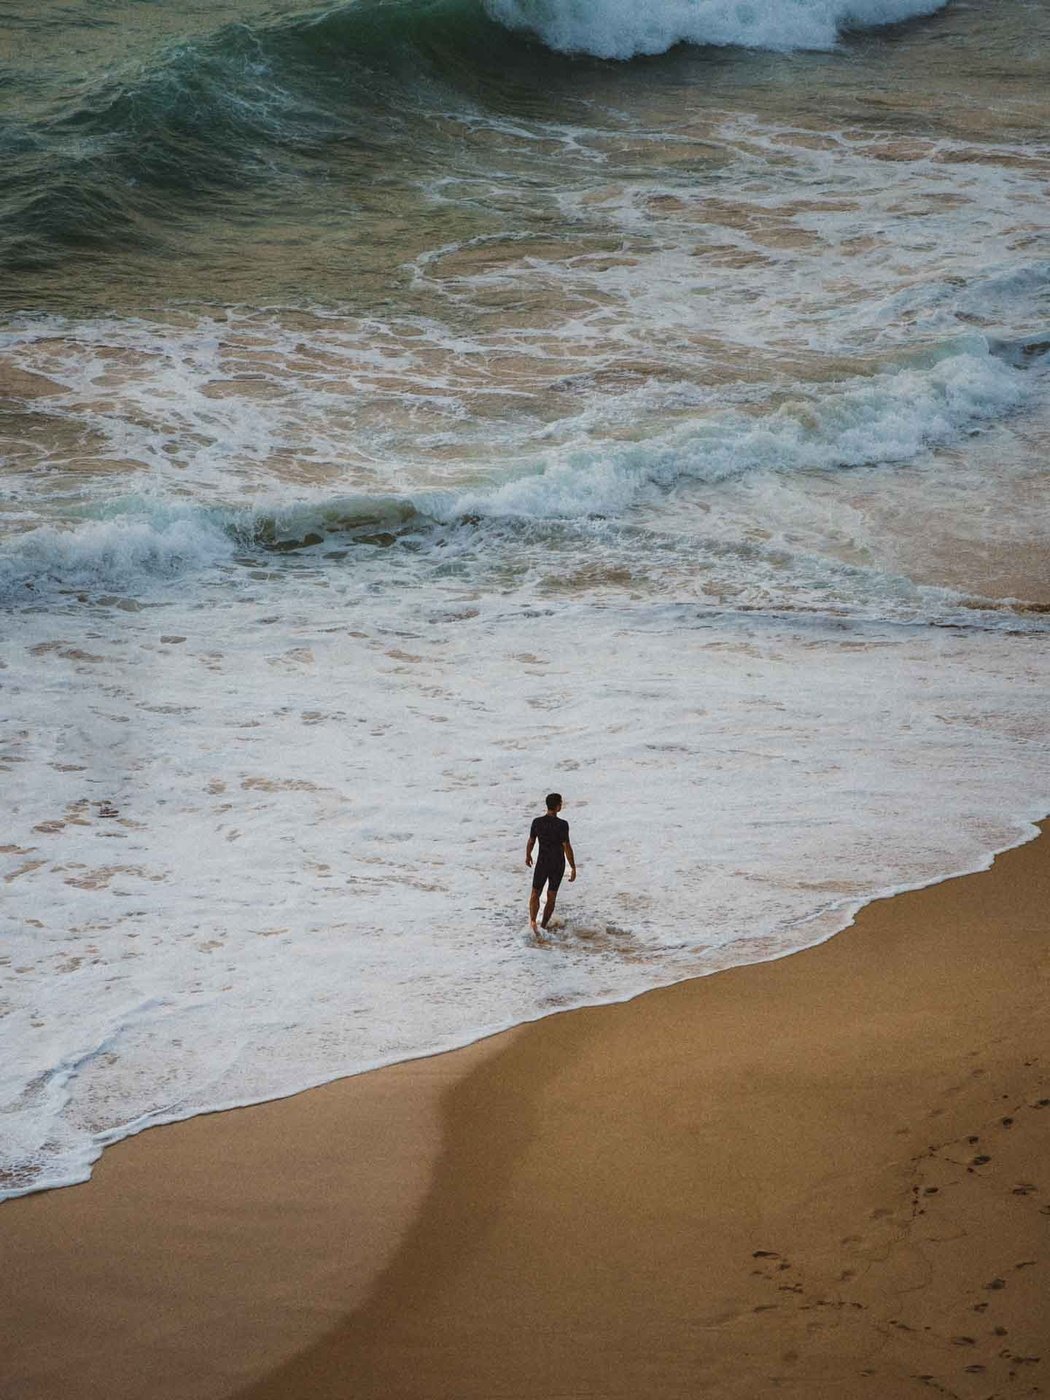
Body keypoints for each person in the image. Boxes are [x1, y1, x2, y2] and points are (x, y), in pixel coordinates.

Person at [526, 792, 576, 934]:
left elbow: (531, 841)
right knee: (551, 896)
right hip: (557, 864)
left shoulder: (537, 822)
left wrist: (527, 855)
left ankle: (533, 922)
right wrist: (572, 866)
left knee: (535, 892)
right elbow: (567, 846)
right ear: (558, 806)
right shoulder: (562, 825)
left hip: (543, 862)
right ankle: (543, 926)